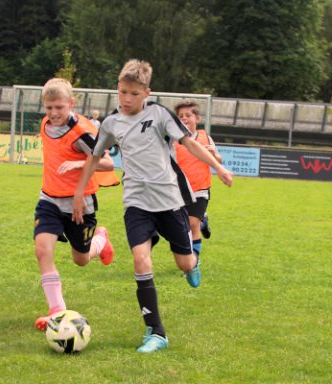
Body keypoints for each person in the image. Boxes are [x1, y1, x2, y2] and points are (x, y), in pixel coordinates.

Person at [72, 60, 233, 353]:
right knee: (140, 259)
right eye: (122, 92)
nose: (127, 99)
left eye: (134, 93)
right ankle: (156, 332)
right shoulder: (110, 123)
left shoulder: (159, 114)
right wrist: (79, 193)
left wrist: (217, 169)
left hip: (170, 202)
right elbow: (94, 157)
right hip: (136, 202)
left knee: (184, 262)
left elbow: (190, 143)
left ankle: (192, 260)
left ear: (147, 92)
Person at [33, 78, 116, 331]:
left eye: (59, 107)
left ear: (71, 103)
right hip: (49, 199)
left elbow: (107, 163)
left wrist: (80, 164)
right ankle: (57, 312)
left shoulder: (82, 132)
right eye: (49, 108)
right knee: (42, 251)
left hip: (81, 204)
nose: (53, 113)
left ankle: (100, 240)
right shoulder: (46, 123)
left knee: (80, 259)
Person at [173, 99, 223, 255]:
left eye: (188, 115)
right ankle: (203, 221)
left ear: (197, 118)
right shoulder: (172, 139)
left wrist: (214, 154)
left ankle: (193, 262)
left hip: (199, 189)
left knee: (191, 224)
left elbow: (219, 160)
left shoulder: (204, 137)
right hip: (178, 190)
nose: (184, 118)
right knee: (181, 228)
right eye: (180, 116)